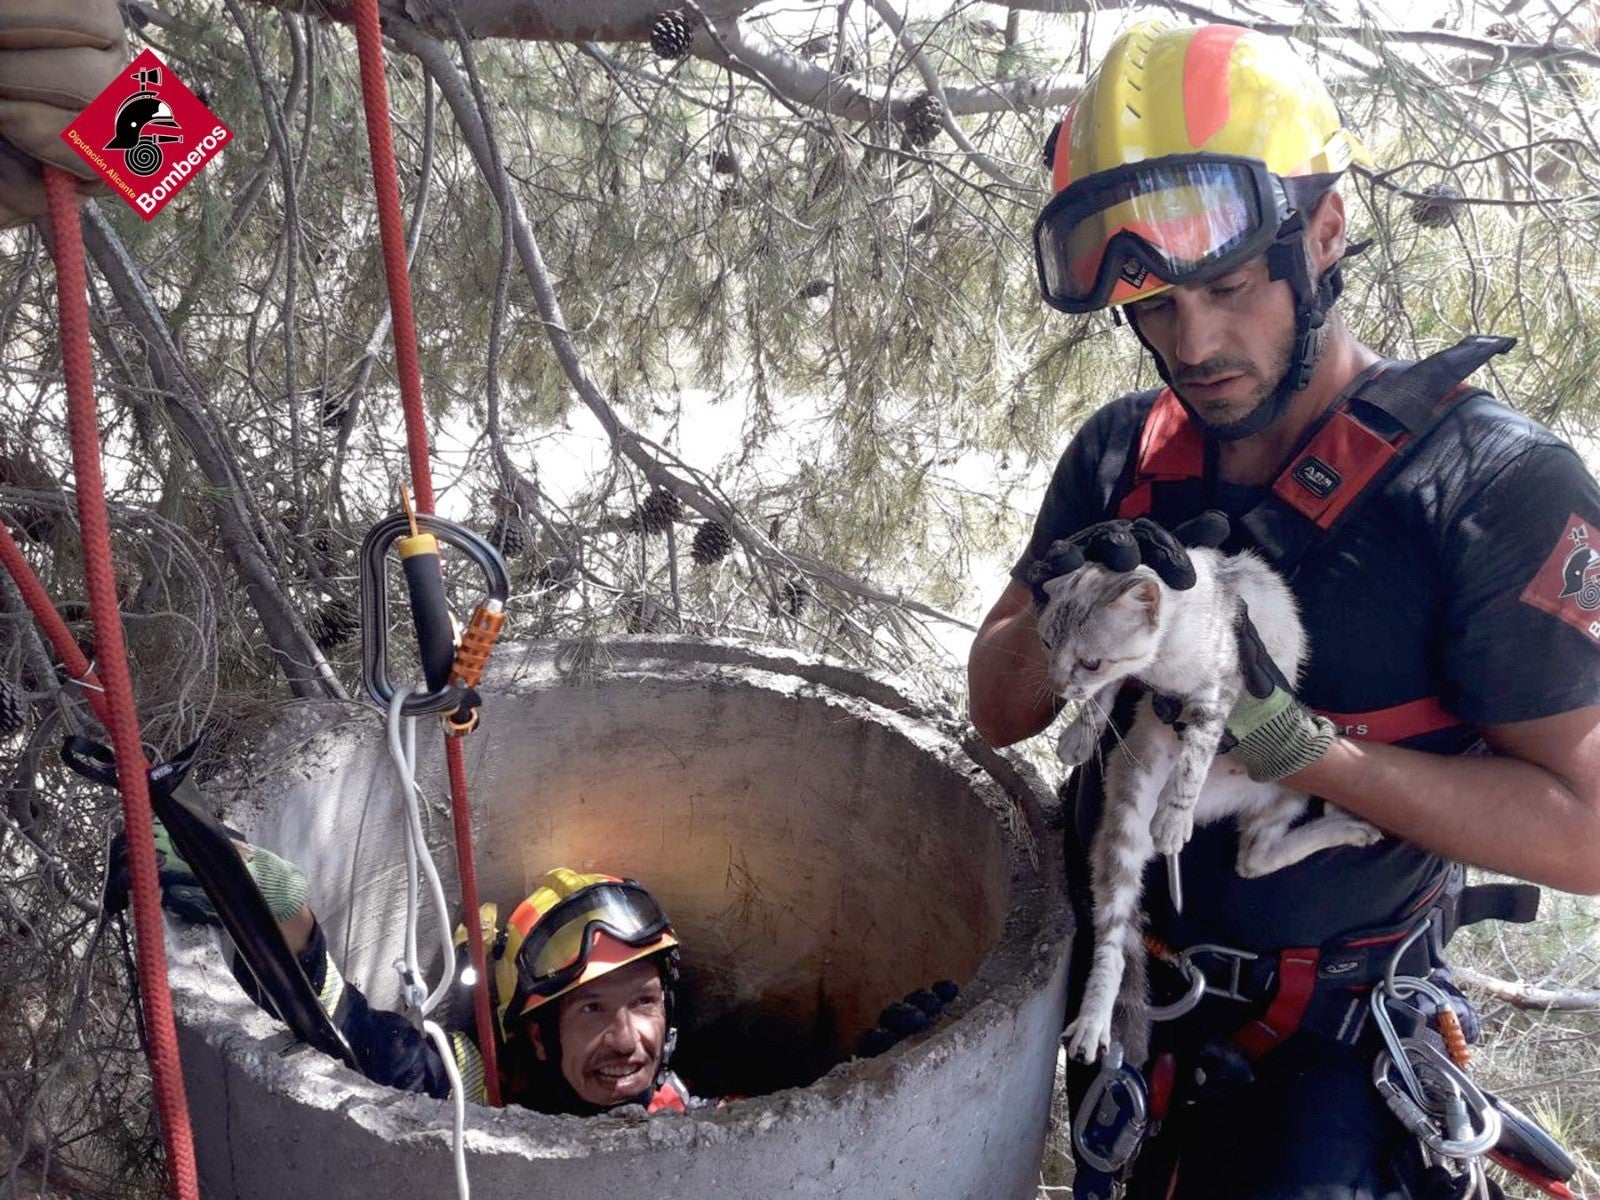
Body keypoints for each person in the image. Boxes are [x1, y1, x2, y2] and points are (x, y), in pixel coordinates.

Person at [968, 21, 1600, 1200]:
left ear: (1323, 232)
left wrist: (1305, 755)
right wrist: (1081, 614)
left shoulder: (1487, 492)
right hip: (1129, 1014)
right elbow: (994, 706)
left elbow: (1585, 831)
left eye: (1229, 285)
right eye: (1153, 304)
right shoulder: (1122, 460)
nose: (1192, 343)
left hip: (1331, 1051)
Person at [120, 828, 711, 1114]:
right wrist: (274, 905)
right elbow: (347, 1026)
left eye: (645, 1001)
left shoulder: (681, 1105)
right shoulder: (479, 1083)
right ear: (535, 1033)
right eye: (591, 1008)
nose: (630, 1039)